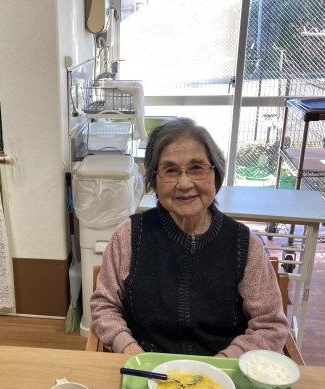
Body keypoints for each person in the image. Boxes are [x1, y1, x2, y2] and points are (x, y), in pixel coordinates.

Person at [90, 117, 289, 357]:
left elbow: (270, 325)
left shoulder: (244, 245)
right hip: (146, 366)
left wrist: (225, 361)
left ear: (215, 173)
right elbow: (104, 305)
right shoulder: (129, 236)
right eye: (170, 170)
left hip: (223, 370)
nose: (184, 184)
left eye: (196, 168)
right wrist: (127, 347)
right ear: (154, 179)